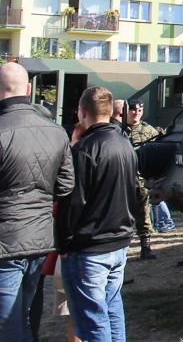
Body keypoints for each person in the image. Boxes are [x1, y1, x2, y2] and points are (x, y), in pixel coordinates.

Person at [0, 62, 75, 341]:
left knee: (9, 324)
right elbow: (66, 187)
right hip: (40, 239)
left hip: (6, 243)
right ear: (29, 90)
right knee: (25, 315)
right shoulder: (56, 131)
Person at [56, 86, 137, 342]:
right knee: (112, 311)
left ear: (82, 112)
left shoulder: (84, 151)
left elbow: (73, 203)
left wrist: (64, 242)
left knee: (93, 321)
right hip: (118, 242)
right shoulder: (125, 144)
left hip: (90, 247)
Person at [125, 100, 160, 259]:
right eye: (133, 110)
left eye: (139, 109)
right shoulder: (119, 130)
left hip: (141, 179)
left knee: (144, 214)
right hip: (124, 180)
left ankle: (145, 247)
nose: (136, 112)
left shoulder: (148, 130)